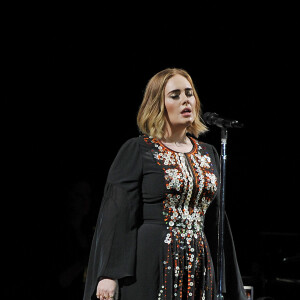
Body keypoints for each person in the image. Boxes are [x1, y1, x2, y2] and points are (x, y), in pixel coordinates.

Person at [83, 68, 247, 300]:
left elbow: (217, 219)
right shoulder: (139, 150)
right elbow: (117, 214)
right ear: (157, 104)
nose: (185, 100)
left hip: (199, 263)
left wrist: (231, 281)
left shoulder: (208, 153)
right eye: (175, 95)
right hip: (151, 262)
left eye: (189, 93)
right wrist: (109, 274)